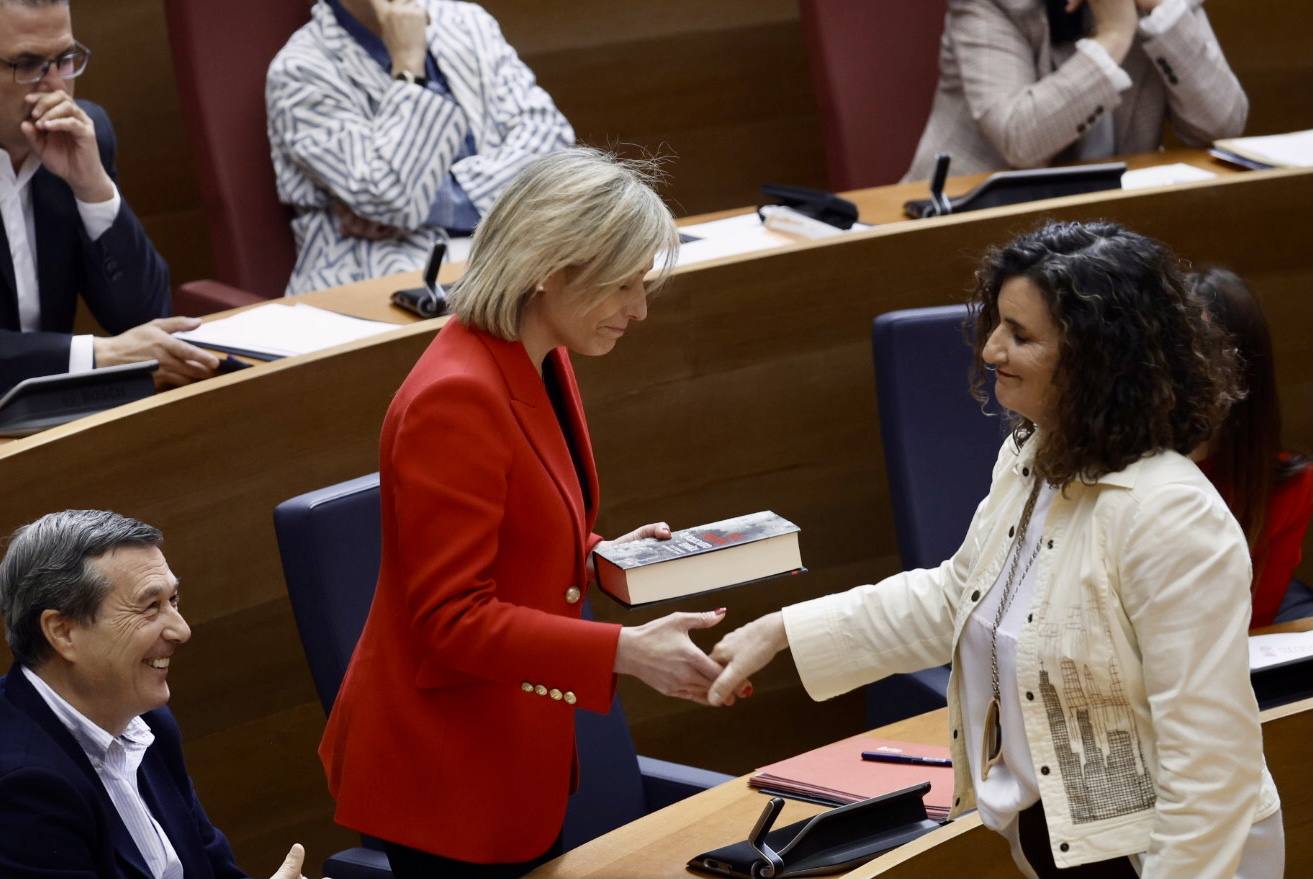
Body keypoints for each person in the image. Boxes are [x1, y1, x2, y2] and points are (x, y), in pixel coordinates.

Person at [706, 222, 1284, 878]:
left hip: (1166, 858)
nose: (989, 349)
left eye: (1020, 334)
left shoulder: (1171, 516)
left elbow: (1210, 773)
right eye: (995, 325)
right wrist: (781, 628)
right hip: (1061, 845)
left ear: (1096, 357)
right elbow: (959, 596)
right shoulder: (1032, 455)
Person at [318, 148, 733, 879]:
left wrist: (598, 551)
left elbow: (513, 528)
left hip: (508, 749)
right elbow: (449, 618)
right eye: (626, 287)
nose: (639, 310)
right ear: (554, 268)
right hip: (444, 769)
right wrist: (625, 651)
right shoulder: (456, 394)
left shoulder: (540, 355)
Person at [0, 509, 319, 879]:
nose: (181, 631)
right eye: (150, 607)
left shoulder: (146, 723)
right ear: (62, 631)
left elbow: (214, 870)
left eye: (174, 601)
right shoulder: (19, 786)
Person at [267, 0, 574, 296]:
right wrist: (409, 68)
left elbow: (552, 142)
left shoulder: (467, 22)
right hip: (376, 278)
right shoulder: (299, 70)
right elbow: (390, 195)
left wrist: (434, 202)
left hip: (508, 256)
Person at [0, 0, 218, 395]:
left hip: (48, 424)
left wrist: (93, 187)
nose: (55, 87)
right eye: (28, 65)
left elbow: (146, 315)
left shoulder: (82, 134)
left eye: (65, 59)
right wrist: (96, 356)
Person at [903, 0, 1247, 181]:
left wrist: (1163, 12)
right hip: (971, 220)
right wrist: (1113, 36)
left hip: (1114, 225)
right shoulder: (997, 3)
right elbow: (1020, 140)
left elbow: (1223, 123)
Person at [1188, 268, 1313, 628]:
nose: (1188, 372)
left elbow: (1253, 624)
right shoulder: (1122, 470)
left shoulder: (1288, 485)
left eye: (1207, 354)